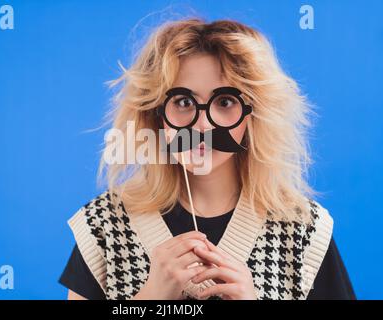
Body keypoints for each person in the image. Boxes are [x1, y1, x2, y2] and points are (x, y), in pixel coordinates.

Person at [59, 18, 355, 300]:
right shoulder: (105, 226)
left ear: (254, 115)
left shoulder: (302, 231)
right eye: (183, 102)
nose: (203, 126)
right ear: (156, 114)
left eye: (225, 102)